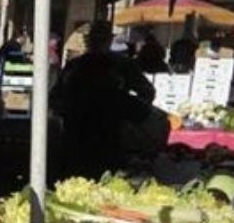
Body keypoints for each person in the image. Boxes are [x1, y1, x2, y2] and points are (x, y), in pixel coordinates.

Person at [52, 22, 162, 175]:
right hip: (79, 134)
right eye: (95, 39)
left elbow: (147, 92)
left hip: (108, 134)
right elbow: (55, 98)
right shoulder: (75, 67)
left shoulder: (120, 65)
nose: (96, 43)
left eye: (100, 39)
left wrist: (131, 115)